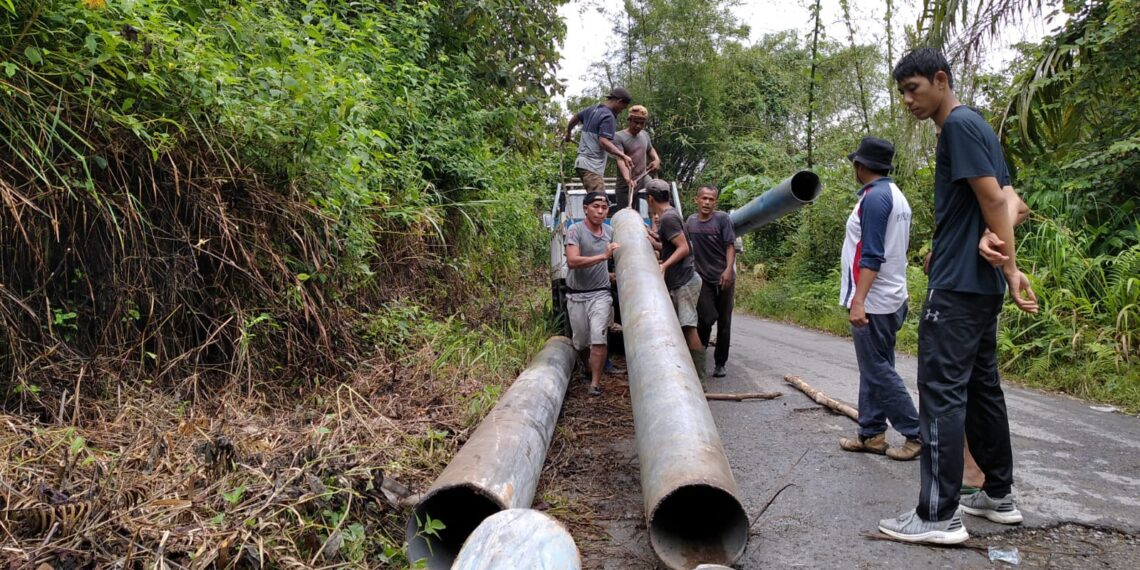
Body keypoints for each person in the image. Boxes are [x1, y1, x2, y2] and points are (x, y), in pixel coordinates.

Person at [878, 48, 1039, 545]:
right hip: (976, 284)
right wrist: (992, 241)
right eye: (902, 92)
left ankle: (937, 514)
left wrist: (1010, 266)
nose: (908, 101)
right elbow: (1014, 202)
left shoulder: (958, 127)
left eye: (914, 89)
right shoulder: (978, 126)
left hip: (958, 287)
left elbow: (996, 200)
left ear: (941, 79)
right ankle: (996, 494)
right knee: (981, 388)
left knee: (940, 390)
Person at [837, 136, 921, 461]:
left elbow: (871, 255)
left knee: (877, 369)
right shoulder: (896, 196)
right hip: (891, 297)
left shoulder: (874, 199)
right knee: (875, 367)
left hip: (874, 301)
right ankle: (871, 433)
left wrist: (859, 301)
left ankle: (915, 434)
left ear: (861, 166)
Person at [646, 180, 706, 383]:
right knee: (682, 327)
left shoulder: (668, 218)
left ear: (651, 199)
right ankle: (688, 374)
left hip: (685, 281)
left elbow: (683, 248)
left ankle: (700, 380)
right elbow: (671, 246)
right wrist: (651, 239)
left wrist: (664, 265)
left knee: (688, 327)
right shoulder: (669, 214)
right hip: (682, 279)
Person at [565, 192, 620, 397]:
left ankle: (595, 383)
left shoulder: (611, 232)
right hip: (576, 294)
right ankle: (588, 369)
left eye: (604, 208)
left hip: (600, 294)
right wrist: (603, 257)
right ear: (585, 208)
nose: (600, 211)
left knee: (599, 337)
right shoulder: (575, 230)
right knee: (580, 342)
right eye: (595, 206)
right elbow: (572, 261)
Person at [686, 185, 736, 379]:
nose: (707, 202)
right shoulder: (690, 222)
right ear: (696, 200)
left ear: (716, 202)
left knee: (724, 321)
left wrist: (728, 270)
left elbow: (730, 246)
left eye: (711, 199)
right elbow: (684, 246)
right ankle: (701, 352)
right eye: (704, 198)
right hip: (701, 279)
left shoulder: (722, 219)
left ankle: (720, 363)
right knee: (706, 318)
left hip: (723, 276)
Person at [564, 88, 635, 194]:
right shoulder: (609, 116)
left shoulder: (592, 109)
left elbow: (575, 118)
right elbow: (604, 141)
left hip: (581, 163)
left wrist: (568, 132)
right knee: (599, 200)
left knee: (597, 200)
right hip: (591, 166)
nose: (621, 111)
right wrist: (623, 156)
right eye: (623, 108)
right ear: (619, 101)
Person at [613, 105, 661, 212]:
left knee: (657, 191)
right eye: (636, 122)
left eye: (642, 123)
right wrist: (628, 179)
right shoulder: (619, 137)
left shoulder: (645, 135)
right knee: (626, 213)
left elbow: (650, 149)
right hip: (625, 184)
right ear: (629, 120)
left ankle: (654, 226)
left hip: (643, 177)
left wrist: (656, 160)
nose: (638, 126)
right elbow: (620, 159)